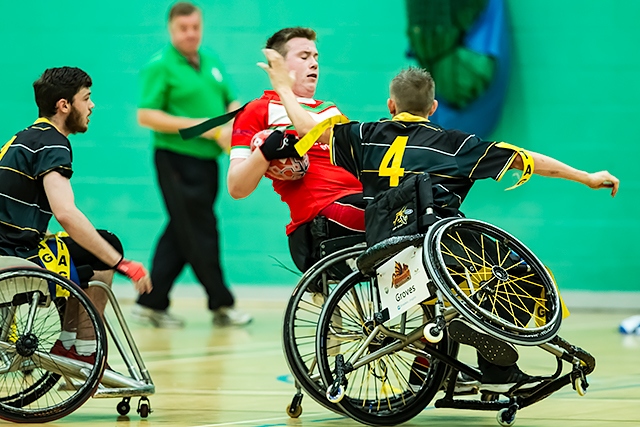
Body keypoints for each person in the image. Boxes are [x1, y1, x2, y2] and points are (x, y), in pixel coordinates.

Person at [259, 51, 620, 393]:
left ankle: (426, 368)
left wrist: (283, 87)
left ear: (391, 105)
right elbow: (525, 160)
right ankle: (495, 368)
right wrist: (584, 176)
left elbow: (309, 126)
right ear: (432, 108)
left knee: (460, 279)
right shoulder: (454, 145)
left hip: (382, 250)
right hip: (440, 251)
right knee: (517, 273)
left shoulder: (363, 136)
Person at [0, 66, 152, 367]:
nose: (92, 105)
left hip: (10, 247)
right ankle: (83, 349)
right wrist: (120, 263)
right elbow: (66, 214)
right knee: (108, 246)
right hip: (14, 255)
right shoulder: (53, 143)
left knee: (87, 253)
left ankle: (71, 343)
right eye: (86, 98)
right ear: (64, 105)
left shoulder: (24, 137)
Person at [135, 2, 250, 328]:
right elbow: (147, 115)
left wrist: (232, 122)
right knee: (200, 230)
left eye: (195, 27)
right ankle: (221, 304)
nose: (190, 34)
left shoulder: (210, 59)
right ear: (172, 30)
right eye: (183, 29)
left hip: (208, 162)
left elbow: (232, 98)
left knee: (181, 230)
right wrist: (206, 126)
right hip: (176, 160)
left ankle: (151, 302)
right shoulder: (159, 66)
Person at [228, 27, 365, 273]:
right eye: (304, 57)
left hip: (362, 198)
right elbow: (236, 187)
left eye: (316, 57)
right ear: (278, 65)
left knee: (426, 209)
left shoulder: (331, 110)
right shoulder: (257, 110)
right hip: (325, 212)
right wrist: (266, 152)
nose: (314, 64)